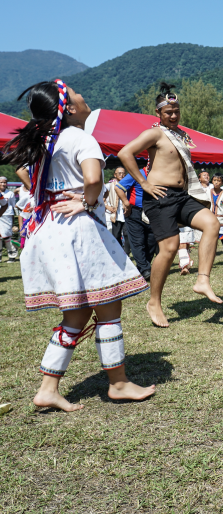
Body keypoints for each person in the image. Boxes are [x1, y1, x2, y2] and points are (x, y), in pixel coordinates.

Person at [4, 80, 155, 412]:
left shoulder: (45, 142)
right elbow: (92, 179)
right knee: (108, 306)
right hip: (77, 231)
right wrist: (87, 203)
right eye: (74, 93)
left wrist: (63, 199)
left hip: (50, 228)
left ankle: (49, 389)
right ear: (69, 108)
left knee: (76, 314)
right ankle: (117, 384)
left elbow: (33, 177)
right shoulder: (80, 138)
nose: (82, 95)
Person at [117, 83, 222, 328]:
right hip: (159, 196)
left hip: (181, 195)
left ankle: (202, 280)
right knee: (169, 248)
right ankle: (154, 301)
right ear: (158, 113)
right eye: (168, 112)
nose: (173, 115)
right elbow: (125, 152)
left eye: (176, 111)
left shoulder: (180, 135)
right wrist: (143, 183)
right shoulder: (155, 133)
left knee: (212, 223)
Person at [118, 165, 155, 279]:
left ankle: (143, 267)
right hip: (135, 212)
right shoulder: (137, 173)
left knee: (151, 241)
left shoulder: (159, 174)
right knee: (137, 241)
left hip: (152, 212)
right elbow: (118, 187)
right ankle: (145, 269)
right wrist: (126, 202)